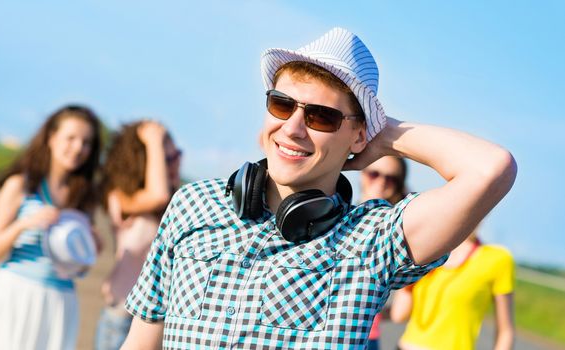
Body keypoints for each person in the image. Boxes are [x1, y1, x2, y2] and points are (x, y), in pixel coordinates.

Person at [120, 27, 517, 349]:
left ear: (359, 135)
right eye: (281, 104)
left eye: (321, 117)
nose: (292, 128)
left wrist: (385, 133)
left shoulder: (372, 240)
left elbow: (490, 169)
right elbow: (141, 342)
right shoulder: (193, 203)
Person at [0, 105, 103, 350]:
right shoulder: (20, 185)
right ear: (51, 137)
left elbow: (80, 268)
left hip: (61, 302)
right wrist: (25, 224)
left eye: (86, 142)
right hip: (15, 295)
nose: (78, 148)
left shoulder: (84, 198)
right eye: (71, 138)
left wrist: (91, 246)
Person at [94, 120, 181, 350]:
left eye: (177, 155)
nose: (176, 164)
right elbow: (158, 194)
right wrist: (153, 140)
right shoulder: (121, 198)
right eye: (167, 159)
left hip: (156, 328)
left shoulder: (174, 208)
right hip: (120, 321)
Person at [391, 229, 515, 350]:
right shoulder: (428, 253)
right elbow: (399, 314)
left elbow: (505, 331)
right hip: (406, 345)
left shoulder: (496, 259)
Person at [359, 156, 409, 350]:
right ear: (362, 173)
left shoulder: (399, 232)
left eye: (391, 178)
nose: (381, 181)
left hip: (365, 335)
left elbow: (402, 307)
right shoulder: (339, 214)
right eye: (374, 174)